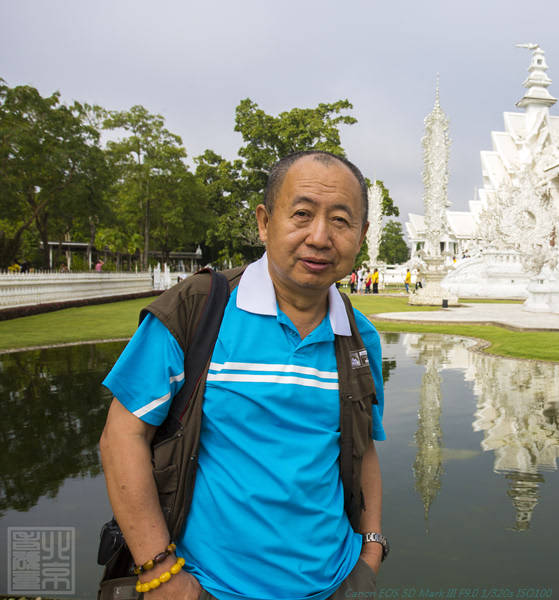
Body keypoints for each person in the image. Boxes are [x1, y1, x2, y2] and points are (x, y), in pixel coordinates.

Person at [99, 151, 387, 600]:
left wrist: (370, 550)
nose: (319, 237)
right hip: (208, 588)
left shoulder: (357, 336)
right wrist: (160, 572)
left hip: (335, 584)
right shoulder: (198, 308)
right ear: (264, 222)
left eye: (341, 221)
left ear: (362, 235)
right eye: (302, 214)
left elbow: (363, 447)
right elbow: (121, 437)